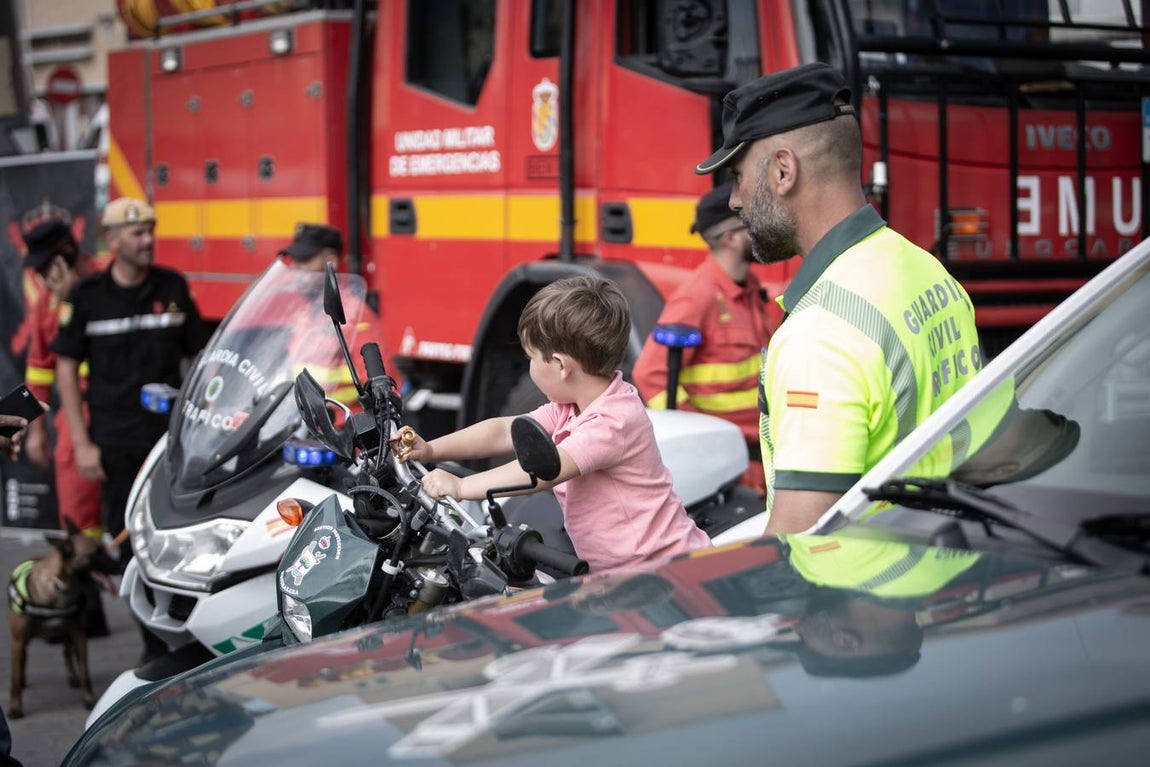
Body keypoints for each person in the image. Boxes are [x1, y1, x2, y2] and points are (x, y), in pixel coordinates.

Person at [694, 63, 983, 534]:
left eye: (738, 177)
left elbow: (802, 542)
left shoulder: (820, 332)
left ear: (784, 171)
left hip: (866, 597)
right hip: (943, 568)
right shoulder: (928, 270)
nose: (733, 202)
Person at [397, 275, 711, 573]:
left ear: (560, 365)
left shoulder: (615, 419)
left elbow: (545, 471)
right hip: (619, 571)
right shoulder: (570, 407)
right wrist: (430, 449)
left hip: (663, 570)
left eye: (531, 358)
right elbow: (504, 430)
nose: (529, 366)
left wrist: (463, 487)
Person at [50, 197, 207, 663]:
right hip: (115, 444)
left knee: (178, 541)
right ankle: (152, 647)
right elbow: (63, 367)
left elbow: (201, 359)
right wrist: (81, 442)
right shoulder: (86, 297)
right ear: (112, 240)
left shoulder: (173, 286)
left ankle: (183, 640)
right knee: (131, 546)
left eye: (151, 231)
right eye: (136, 234)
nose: (147, 240)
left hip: (170, 444)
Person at [632, 181, 773, 494]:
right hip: (733, 466)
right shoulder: (698, 297)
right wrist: (703, 438)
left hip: (760, 457)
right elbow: (650, 374)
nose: (764, 232)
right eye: (754, 225)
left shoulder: (750, 289)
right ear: (730, 238)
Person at [19, 217, 104, 536]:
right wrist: (34, 431)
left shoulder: (108, 283)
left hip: (118, 406)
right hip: (75, 412)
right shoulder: (46, 303)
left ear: (66, 255)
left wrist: (76, 296)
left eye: (45, 266)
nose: (41, 276)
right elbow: (38, 369)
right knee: (77, 513)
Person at [277, 222, 402, 403]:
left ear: (331, 261)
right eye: (293, 261)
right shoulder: (303, 311)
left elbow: (382, 387)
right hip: (305, 423)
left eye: (304, 260)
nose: (295, 267)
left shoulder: (353, 314)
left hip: (343, 425)